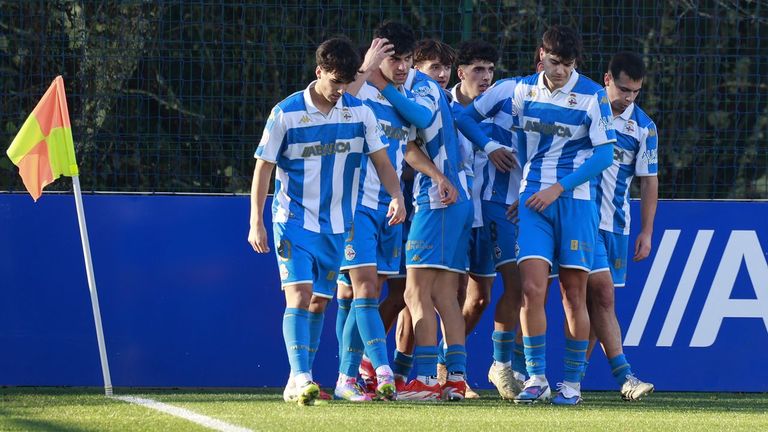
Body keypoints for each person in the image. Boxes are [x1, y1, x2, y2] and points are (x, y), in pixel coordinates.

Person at [247, 37, 405, 406]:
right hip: (294, 222)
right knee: (299, 296)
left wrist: (396, 195)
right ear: (319, 72)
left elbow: (383, 161)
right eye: (334, 82)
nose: (339, 90)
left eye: (345, 82)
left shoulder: (359, 112)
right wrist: (256, 221)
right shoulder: (285, 113)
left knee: (319, 302)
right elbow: (263, 169)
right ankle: (301, 376)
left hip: (337, 226)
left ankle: (298, 378)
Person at [509, 25, 615, 405]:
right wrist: (515, 181)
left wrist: (560, 187)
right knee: (532, 288)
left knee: (574, 294)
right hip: (533, 200)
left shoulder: (592, 95)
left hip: (575, 202)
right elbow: (478, 120)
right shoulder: (521, 90)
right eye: (554, 63)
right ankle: (535, 377)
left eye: (567, 65)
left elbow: (605, 155)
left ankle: (571, 384)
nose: (559, 71)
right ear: (541, 55)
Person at [332, 23, 430, 402]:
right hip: (353, 204)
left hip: (386, 204)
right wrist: (365, 67)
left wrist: (398, 195)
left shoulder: (401, 95)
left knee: (357, 294)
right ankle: (380, 372)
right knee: (364, 290)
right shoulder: (361, 90)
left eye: (407, 59)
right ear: (378, 56)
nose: (402, 66)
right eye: (394, 58)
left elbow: (413, 135)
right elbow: (337, 105)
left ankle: (347, 378)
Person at [398, 36, 474, 402]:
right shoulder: (438, 95)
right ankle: (455, 379)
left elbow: (410, 147)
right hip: (459, 201)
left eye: (444, 68)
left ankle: (427, 379)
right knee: (445, 294)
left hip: (437, 201)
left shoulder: (421, 91)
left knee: (415, 291)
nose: (441, 75)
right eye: (435, 67)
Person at [454, 40, 528, 400]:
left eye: (490, 69)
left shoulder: (510, 98)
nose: (485, 77)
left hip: (501, 210)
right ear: (461, 72)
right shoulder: (447, 106)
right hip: (456, 209)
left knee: (507, 291)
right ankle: (442, 369)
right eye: (478, 69)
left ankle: (508, 367)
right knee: (449, 295)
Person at [587, 51, 657, 401]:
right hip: (574, 218)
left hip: (614, 225)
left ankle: (572, 382)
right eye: (624, 89)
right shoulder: (585, 107)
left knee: (598, 299)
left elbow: (648, 180)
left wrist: (646, 231)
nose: (628, 98)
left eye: (635, 92)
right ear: (607, 79)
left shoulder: (643, 127)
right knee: (535, 292)